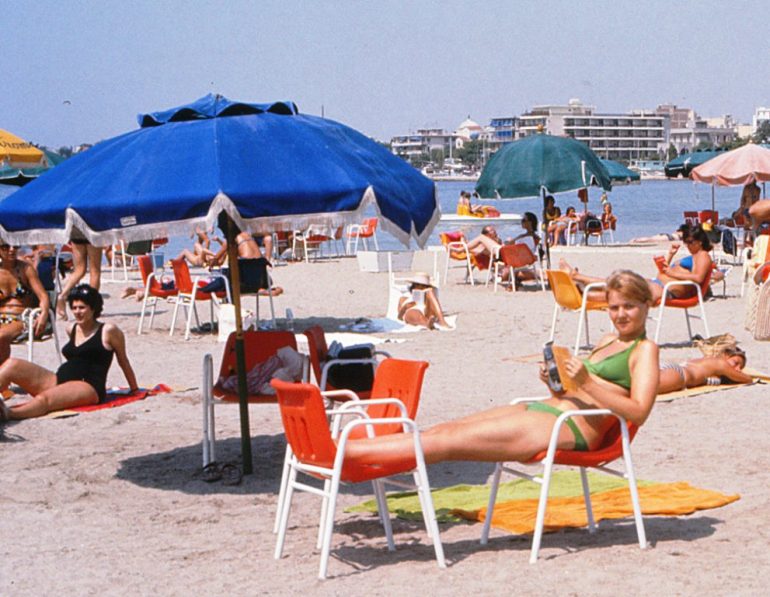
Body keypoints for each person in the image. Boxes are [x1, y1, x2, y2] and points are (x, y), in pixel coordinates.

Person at [346, 270, 658, 465]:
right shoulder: (606, 340)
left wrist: (587, 383)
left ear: (646, 305)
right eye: (614, 307)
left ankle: (343, 456)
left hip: (572, 426)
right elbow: (576, 389)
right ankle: (350, 448)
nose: (620, 315)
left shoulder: (644, 351)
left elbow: (639, 411)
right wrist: (555, 381)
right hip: (548, 408)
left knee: (446, 443)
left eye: (629, 306)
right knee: (445, 430)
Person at [0, 285, 138, 421]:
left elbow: (123, 360)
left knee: (44, 399)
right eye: (74, 308)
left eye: (82, 308)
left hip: (88, 386)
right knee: (11, 365)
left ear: (93, 308)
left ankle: (8, 414)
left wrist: (134, 389)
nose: (77, 312)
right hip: (58, 380)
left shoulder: (109, 331)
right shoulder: (71, 328)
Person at [562, 224, 713, 304]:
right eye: (685, 242)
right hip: (659, 284)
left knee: (623, 290)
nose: (687, 245)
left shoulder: (703, 255)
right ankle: (579, 282)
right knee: (621, 281)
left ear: (699, 242)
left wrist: (672, 273)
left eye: (690, 242)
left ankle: (583, 292)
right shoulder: (695, 255)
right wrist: (670, 256)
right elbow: (664, 272)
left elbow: (698, 278)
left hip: (665, 290)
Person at [0, 244, 52, 364]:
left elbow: (43, 296)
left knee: (1, 335)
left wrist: (43, 314)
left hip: (22, 318)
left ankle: (3, 377)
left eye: (16, 246)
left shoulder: (25, 269)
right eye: (5, 247)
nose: (11, 250)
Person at [659, 347, 751, 393]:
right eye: (735, 363)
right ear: (726, 355)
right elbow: (747, 379)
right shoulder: (720, 364)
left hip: (674, 370)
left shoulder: (709, 361)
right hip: (679, 374)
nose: (738, 369)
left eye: (740, 368)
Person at [56, 233, 103, 320]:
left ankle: (62, 295)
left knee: (79, 270)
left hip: (76, 231)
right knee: (95, 271)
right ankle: (91, 304)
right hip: (92, 230)